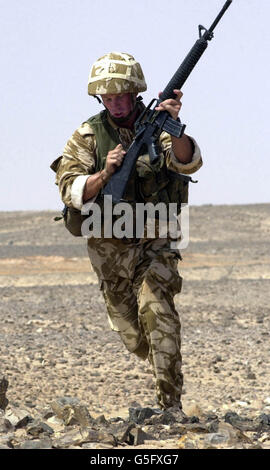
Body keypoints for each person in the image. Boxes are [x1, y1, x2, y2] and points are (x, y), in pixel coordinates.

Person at [51, 52, 202, 412]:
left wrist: (173, 125)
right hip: (110, 251)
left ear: (135, 92)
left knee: (156, 308)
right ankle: (165, 368)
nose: (116, 103)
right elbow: (69, 187)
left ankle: (171, 408)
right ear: (99, 99)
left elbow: (188, 160)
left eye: (122, 95)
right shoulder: (88, 135)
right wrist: (104, 175)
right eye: (108, 97)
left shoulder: (157, 124)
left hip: (155, 239)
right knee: (135, 337)